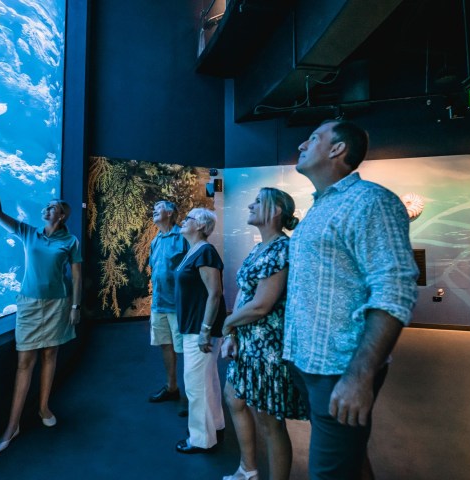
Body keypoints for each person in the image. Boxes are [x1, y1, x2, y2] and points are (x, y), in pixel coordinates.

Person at [283, 120, 418, 479]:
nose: (301, 143)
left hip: (339, 368)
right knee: (351, 461)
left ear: (337, 149)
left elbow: (395, 290)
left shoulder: (372, 202)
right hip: (309, 362)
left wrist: (359, 376)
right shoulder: (320, 208)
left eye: (313, 138)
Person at [0, 159, 82, 454]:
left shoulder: (71, 241)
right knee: (24, 362)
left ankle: (43, 408)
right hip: (29, 305)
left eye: (53, 207)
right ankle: (12, 426)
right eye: (48, 205)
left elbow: (77, 276)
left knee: (51, 355)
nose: (47, 208)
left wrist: (76, 306)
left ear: (63, 216)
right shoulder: (29, 233)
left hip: (58, 305)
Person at [220, 188, 308, 480]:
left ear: (275, 211)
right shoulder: (260, 248)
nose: (250, 204)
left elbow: (261, 305)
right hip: (248, 342)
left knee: (270, 422)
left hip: (267, 349)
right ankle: (248, 468)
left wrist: (227, 323)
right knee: (234, 397)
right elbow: (246, 295)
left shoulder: (281, 249)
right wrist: (232, 331)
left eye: (258, 201)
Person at [173, 208, 226, 454]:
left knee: (195, 384)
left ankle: (201, 439)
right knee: (208, 379)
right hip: (194, 325)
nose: (183, 221)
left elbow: (215, 293)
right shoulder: (193, 251)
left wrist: (205, 330)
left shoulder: (205, 252)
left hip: (199, 328)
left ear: (201, 226)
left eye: (188, 219)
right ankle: (215, 424)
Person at [148, 201, 189, 416]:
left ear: (170, 212)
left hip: (178, 306)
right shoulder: (155, 241)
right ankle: (172, 387)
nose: (154, 209)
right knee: (166, 345)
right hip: (158, 305)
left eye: (159, 206)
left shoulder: (183, 237)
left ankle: (189, 396)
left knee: (185, 351)